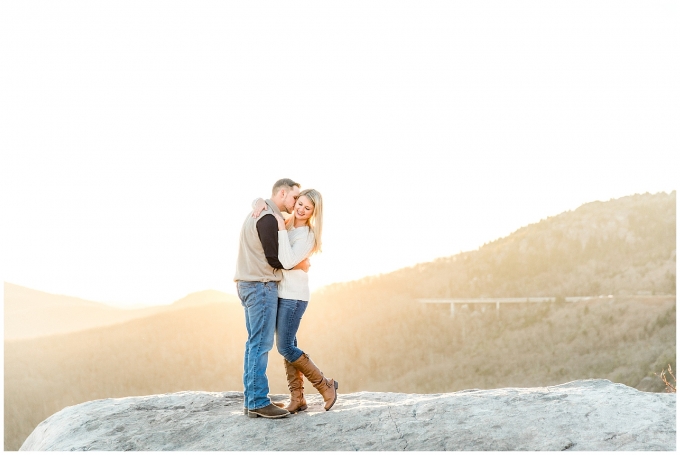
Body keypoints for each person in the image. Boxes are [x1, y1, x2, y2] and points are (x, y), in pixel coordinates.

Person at [251, 188, 338, 413]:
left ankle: (325, 385)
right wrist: (259, 201)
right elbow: (263, 202)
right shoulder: (288, 224)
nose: (301, 209)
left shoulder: (306, 235)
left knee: (285, 347)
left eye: (307, 208)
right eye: (300, 203)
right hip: (282, 294)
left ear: (313, 213)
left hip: (294, 297)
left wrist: (280, 228)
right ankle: (297, 398)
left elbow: (287, 261)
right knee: (289, 344)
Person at [234, 178, 308, 419]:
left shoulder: (261, 211)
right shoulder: (267, 218)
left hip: (248, 284)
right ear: (283, 193)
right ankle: (257, 401)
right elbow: (274, 260)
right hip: (261, 286)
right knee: (261, 344)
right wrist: (301, 263)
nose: (297, 202)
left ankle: (251, 400)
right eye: (295, 197)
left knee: (253, 342)